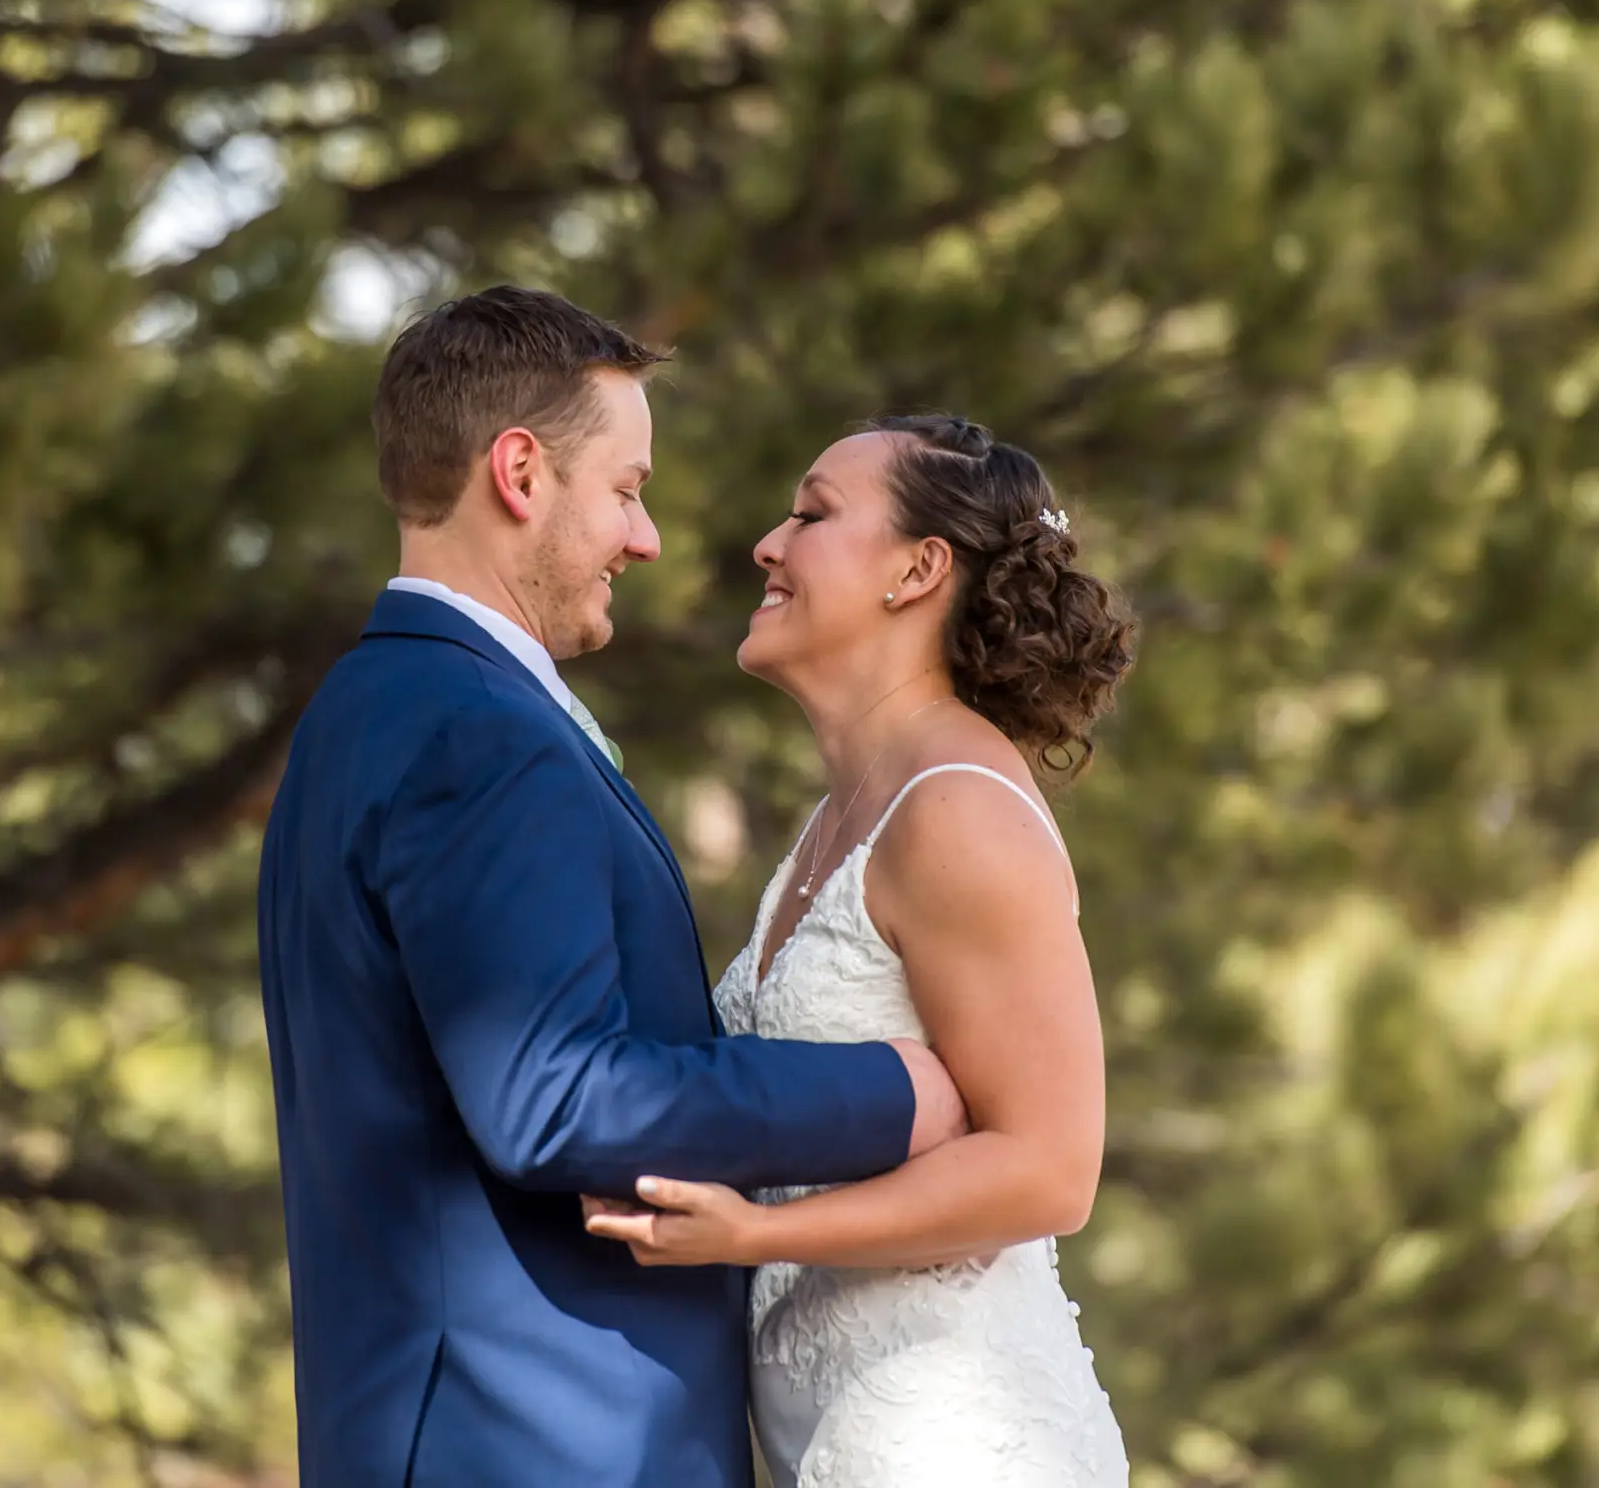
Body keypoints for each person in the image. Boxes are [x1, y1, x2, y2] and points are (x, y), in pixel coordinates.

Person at [256, 286, 968, 1488]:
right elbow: (550, 1094)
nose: (645, 539)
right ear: (521, 473)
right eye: (628, 490)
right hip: (534, 1442)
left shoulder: (364, 712)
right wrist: (891, 1093)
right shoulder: (476, 731)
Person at [585, 415, 1135, 1487]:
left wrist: (748, 1233)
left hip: (945, 1438)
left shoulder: (958, 812)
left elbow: (1050, 1165)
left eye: (813, 513)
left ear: (917, 569)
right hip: (835, 1433)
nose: (767, 543)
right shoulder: (843, 814)